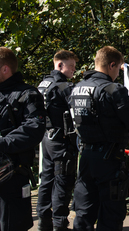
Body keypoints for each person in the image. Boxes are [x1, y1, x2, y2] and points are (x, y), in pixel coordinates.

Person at [69, 46, 129, 230]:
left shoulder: (78, 88)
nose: (118, 73)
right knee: (111, 214)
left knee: (84, 213)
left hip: (85, 157)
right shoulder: (113, 89)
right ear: (112, 65)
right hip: (109, 159)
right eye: (118, 68)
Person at [0, 47, 46, 231]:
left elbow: (33, 129)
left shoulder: (28, 95)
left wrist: (2, 143)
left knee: (11, 224)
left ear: (5, 69)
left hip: (12, 175)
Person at [36, 50, 79, 231]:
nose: (74, 71)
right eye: (71, 66)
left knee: (46, 180)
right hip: (61, 140)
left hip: (47, 138)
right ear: (60, 65)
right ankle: (60, 223)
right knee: (63, 181)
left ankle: (44, 222)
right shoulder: (64, 87)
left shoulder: (43, 84)